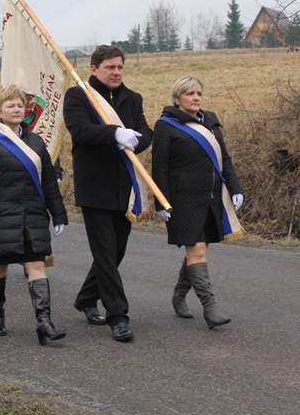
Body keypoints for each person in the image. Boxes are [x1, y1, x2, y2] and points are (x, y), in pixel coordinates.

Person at [63, 44, 153, 342]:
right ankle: (118, 316)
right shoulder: (79, 95)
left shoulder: (132, 98)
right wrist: (114, 133)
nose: (116, 73)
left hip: (124, 189)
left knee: (116, 252)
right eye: (110, 67)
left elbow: (144, 132)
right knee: (104, 252)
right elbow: (80, 130)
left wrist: (136, 140)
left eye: (119, 67)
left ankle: (86, 298)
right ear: (94, 69)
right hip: (94, 186)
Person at [0, 86, 68, 344]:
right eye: (11, 105)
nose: (17, 109)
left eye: (20, 105)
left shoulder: (35, 141)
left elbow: (48, 182)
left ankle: (44, 322)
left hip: (32, 215)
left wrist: (58, 214)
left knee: (36, 265)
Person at [152, 75, 243, 329]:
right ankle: (210, 308)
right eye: (190, 94)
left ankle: (179, 295)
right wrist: (161, 202)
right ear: (178, 97)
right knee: (198, 250)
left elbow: (224, 159)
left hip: (212, 198)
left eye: (199, 94)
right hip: (182, 201)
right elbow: (159, 168)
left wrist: (235, 188)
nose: (196, 98)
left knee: (198, 250)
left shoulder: (210, 122)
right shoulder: (166, 125)